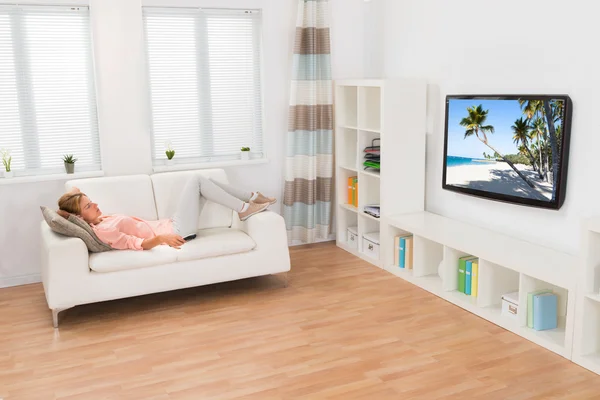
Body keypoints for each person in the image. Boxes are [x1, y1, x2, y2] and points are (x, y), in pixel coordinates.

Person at [56, 174, 276, 251]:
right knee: (197, 180)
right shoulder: (104, 232)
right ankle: (245, 209)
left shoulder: (101, 218)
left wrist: (75, 202)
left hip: (173, 222)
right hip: (177, 231)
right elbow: (136, 244)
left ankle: (252, 197)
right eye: (88, 206)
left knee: (205, 182)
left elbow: (75, 195)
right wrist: (162, 238)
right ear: (80, 217)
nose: (94, 204)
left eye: (91, 201)